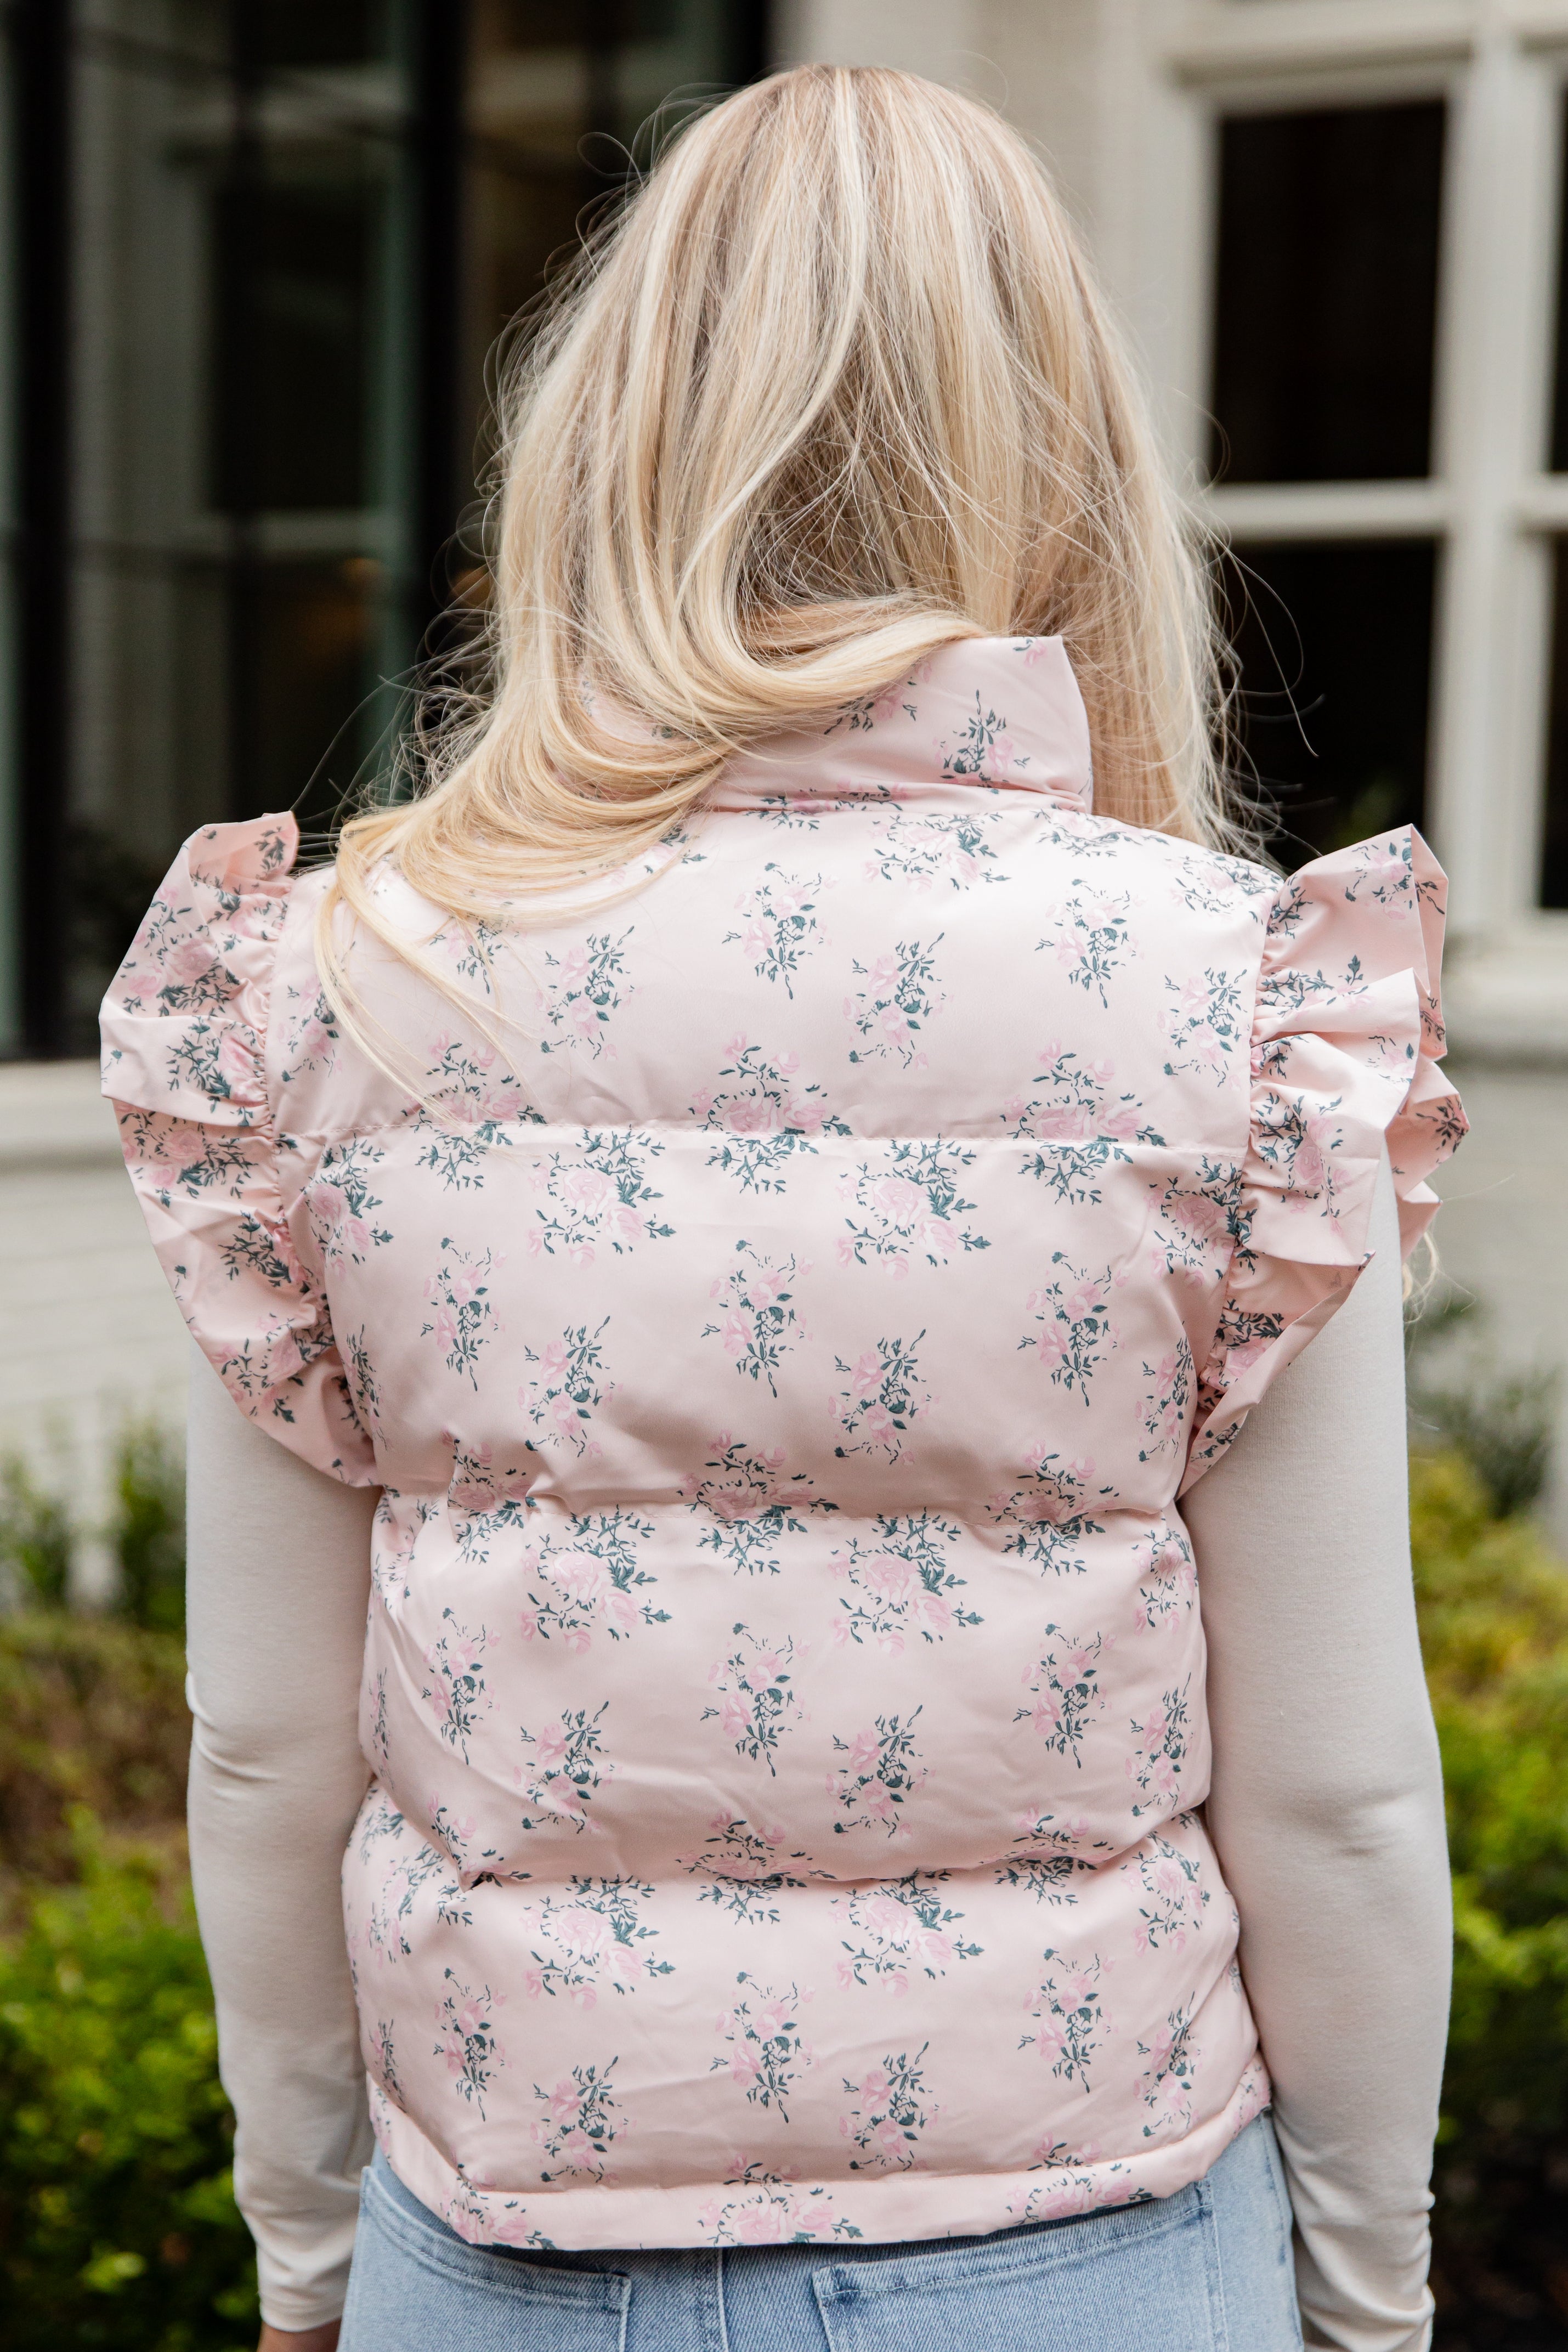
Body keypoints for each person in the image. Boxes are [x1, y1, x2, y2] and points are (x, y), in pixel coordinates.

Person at [102, 65, 1464, 2352]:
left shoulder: (338, 983)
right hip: (1093, 2247)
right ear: (1062, 451)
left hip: (510, 2250)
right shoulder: (1225, 1000)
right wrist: (1372, 2290)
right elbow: (1333, 1792)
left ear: (602, 444)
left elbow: (261, 1741)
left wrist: (310, 2248)